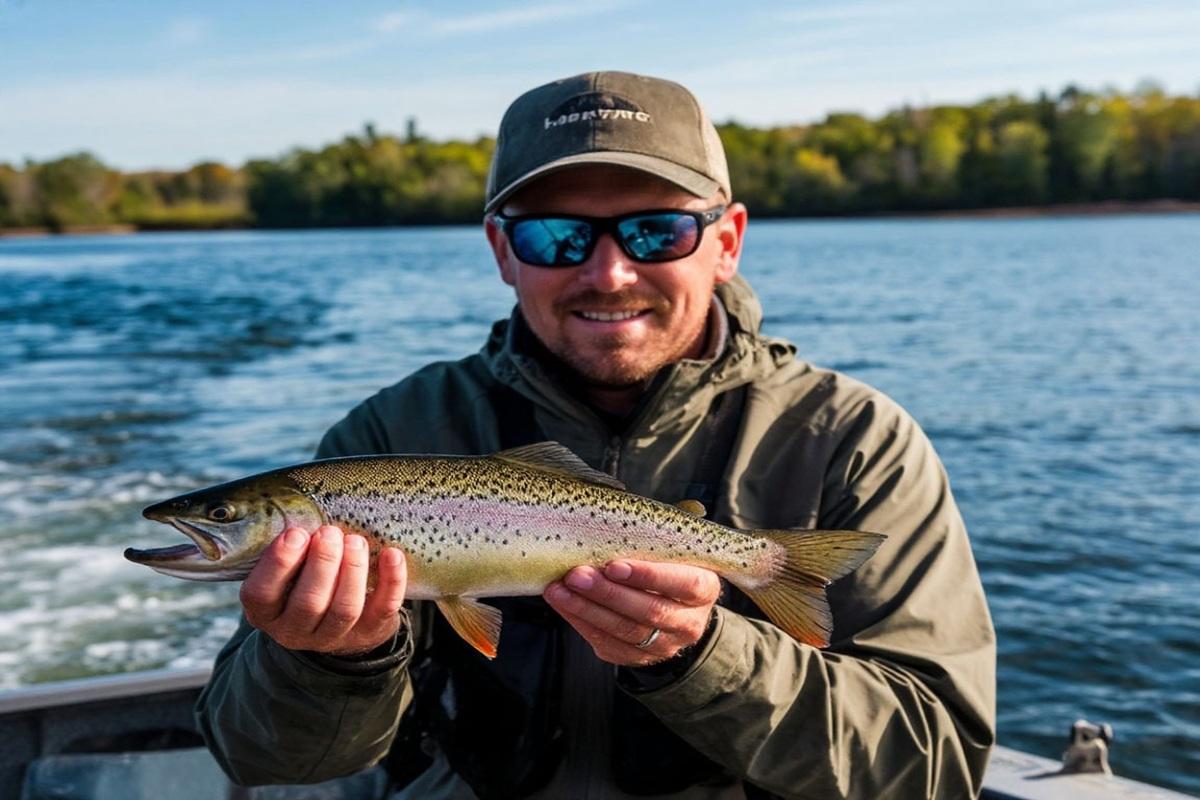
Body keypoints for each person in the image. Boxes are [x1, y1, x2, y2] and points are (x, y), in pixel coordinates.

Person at [195, 71, 996, 799]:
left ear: (726, 243)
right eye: (556, 236)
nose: (609, 273)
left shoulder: (856, 440)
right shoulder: (391, 431)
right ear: (503, 251)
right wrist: (330, 657)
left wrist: (702, 652)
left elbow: (935, 771)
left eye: (658, 232)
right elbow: (260, 759)